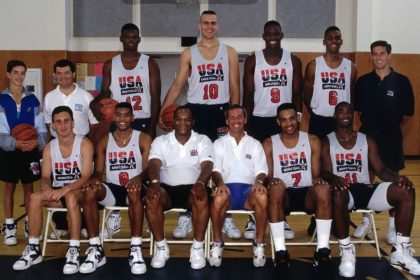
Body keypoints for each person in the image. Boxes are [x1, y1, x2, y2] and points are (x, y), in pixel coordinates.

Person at [159, 10, 240, 239]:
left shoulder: (229, 52)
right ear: (199, 25)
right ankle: (187, 212)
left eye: (213, 23)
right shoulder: (189, 53)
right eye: (206, 23)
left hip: (221, 109)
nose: (210, 27)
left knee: (221, 161)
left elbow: (235, 85)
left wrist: (234, 116)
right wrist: (164, 110)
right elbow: (177, 85)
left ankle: (226, 213)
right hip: (197, 109)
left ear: (218, 26)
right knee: (194, 160)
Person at [321, 102, 420, 278]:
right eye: (341, 111)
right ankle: (347, 251)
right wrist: (334, 178)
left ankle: (401, 252)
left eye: (349, 111)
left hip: (366, 189)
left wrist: (397, 178)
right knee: (337, 192)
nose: (345, 114)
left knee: (406, 190)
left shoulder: (366, 139)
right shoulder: (327, 140)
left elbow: (380, 170)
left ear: (354, 116)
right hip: (344, 192)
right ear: (334, 116)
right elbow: (325, 171)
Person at [13, 106, 94, 274]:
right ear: (53, 126)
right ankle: (33, 248)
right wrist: (46, 186)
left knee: (71, 196)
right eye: (58, 122)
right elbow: (45, 176)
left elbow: (86, 176)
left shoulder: (85, 143)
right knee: (34, 197)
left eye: (66, 121)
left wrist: (65, 190)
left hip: (79, 192)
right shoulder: (50, 147)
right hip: (58, 193)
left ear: (73, 123)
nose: (63, 125)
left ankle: (73, 250)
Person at [79, 102, 151, 274]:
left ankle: (135, 248)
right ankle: (96, 248)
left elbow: (149, 170)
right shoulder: (104, 141)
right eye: (118, 115)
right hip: (113, 189)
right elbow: (98, 171)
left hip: (135, 188)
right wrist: (94, 180)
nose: (122, 119)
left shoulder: (143, 138)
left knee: (134, 191)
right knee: (89, 190)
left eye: (126, 115)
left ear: (132, 117)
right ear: (114, 117)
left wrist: (138, 178)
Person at [354, 40, 415, 243]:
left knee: (393, 183)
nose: (378, 57)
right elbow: (358, 112)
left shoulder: (402, 82)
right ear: (371, 56)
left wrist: (392, 130)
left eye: (382, 53)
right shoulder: (363, 82)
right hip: (368, 139)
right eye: (374, 54)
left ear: (389, 55)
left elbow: (407, 115)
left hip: (391, 140)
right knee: (366, 180)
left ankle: (391, 227)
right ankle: (366, 222)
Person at [263, 103, 332, 278]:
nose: (289, 123)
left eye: (292, 118)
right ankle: (281, 254)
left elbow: (316, 174)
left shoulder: (312, 140)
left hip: (307, 194)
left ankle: (322, 251)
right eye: (284, 120)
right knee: (275, 188)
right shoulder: (269, 143)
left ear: (298, 118)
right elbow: (268, 176)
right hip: (283, 195)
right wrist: (271, 180)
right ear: (278, 122)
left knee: (323, 188)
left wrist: (319, 181)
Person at [146, 106, 213, 270]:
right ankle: (161, 248)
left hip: (193, 187)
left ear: (193, 122)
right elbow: (154, 163)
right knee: (152, 197)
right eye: (178, 119)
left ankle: (197, 248)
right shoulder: (161, 141)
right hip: (167, 189)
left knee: (201, 197)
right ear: (173, 121)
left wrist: (200, 183)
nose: (182, 122)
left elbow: (207, 165)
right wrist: (154, 182)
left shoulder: (203, 140)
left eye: (187, 119)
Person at [43, 59, 98, 239]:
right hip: (58, 146)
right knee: (57, 185)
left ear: (73, 74)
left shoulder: (85, 96)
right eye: (59, 73)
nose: (63, 76)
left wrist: (91, 149)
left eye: (66, 73)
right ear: (54, 75)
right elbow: (48, 126)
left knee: (80, 187)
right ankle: (61, 225)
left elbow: (95, 125)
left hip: (82, 145)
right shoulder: (49, 97)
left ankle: (81, 224)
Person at [209, 104, 268, 268]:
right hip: (226, 190)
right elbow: (215, 170)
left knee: (262, 195)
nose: (236, 120)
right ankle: (217, 243)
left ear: (245, 119)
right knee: (218, 196)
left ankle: (259, 244)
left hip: (248, 192)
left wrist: (259, 182)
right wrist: (220, 184)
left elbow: (262, 170)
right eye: (232, 117)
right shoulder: (218, 143)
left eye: (239, 117)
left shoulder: (255, 144)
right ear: (227, 121)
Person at [0, 60, 47, 245]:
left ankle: (30, 221)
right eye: (16, 73)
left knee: (29, 188)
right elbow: (1, 131)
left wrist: (38, 142)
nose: (19, 77)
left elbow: (41, 127)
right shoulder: (1, 100)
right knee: (9, 188)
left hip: (30, 150)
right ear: (8, 75)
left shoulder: (33, 99)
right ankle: (10, 227)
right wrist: (15, 143)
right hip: (9, 150)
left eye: (22, 73)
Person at [91, 23, 161, 138]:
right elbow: (105, 93)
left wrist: (152, 128)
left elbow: (155, 98)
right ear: (121, 39)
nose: (130, 40)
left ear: (139, 39)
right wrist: (93, 103)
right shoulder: (110, 64)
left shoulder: (150, 63)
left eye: (134, 37)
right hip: (119, 120)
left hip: (142, 119)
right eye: (127, 37)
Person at [243, 20, 303, 142]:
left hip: (284, 119)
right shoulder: (252, 60)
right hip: (259, 117)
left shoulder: (293, 60)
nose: (272, 37)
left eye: (276, 33)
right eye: (269, 34)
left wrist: (297, 119)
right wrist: (247, 121)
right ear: (263, 36)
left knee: (281, 157)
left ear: (282, 35)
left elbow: (297, 94)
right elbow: (248, 95)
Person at [303, 26, 357, 138]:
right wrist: (313, 111)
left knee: (339, 154)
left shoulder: (351, 67)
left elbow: (351, 93)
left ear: (341, 41)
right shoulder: (314, 65)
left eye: (337, 37)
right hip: (319, 118)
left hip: (341, 120)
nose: (333, 40)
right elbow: (306, 93)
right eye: (329, 38)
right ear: (324, 41)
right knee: (317, 153)